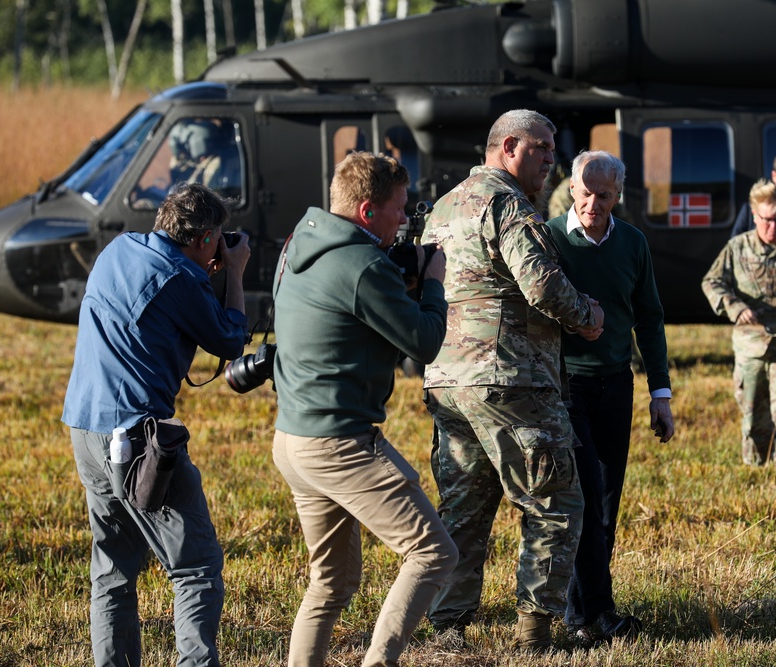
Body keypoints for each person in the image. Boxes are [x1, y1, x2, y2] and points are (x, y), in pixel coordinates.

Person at [421, 109, 604, 650]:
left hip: (447, 380)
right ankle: (535, 634)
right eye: (541, 148)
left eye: (552, 149)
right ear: (506, 148)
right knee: (555, 500)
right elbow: (542, 286)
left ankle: (448, 629)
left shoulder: (444, 207)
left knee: (464, 508)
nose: (552, 159)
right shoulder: (508, 204)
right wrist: (588, 316)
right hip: (510, 380)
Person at [271, 151, 458, 667]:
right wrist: (434, 282)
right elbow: (423, 343)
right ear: (367, 211)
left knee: (330, 585)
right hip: (338, 443)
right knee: (434, 553)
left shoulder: (298, 244)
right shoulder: (362, 266)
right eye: (398, 209)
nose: (404, 220)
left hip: (292, 439)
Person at [62, 183, 251, 666]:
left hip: (84, 428)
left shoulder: (118, 248)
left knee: (113, 571)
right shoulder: (180, 279)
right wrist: (234, 270)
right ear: (206, 237)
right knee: (196, 568)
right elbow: (230, 340)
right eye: (219, 238)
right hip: (136, 442)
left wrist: (201, 268)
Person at [544, 150, 675, 644]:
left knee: (607, 499)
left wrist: (660, 393)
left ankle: (585, 609)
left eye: (604, 195)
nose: (593, 203)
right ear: (572, 189)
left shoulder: (634, 244)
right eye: (586, 191)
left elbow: (650, 318)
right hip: (566, 384)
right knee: (582, 499)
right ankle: (590, 613)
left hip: (617, 383)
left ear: (618, 196)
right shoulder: (550, 239)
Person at [703, 179, 776, 466]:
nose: (773, 227)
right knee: (754, 415)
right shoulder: (738, 248)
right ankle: (757, 470)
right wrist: (734, 306)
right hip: (751, 347)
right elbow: (712, 281)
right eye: (767, 220)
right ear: (755, 216)